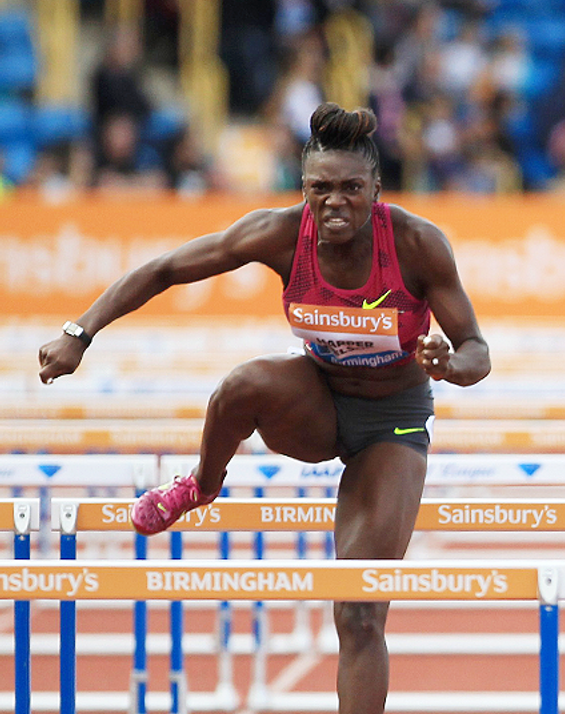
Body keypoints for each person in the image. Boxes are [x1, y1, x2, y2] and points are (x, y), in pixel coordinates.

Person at [36, 103, 490, 714]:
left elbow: (477, 350)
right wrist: (80, 332)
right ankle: (200, 485)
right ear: (302, 188)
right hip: (317, 403)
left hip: (394, 419)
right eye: (320, 188)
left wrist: (448, 364)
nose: (334, 202)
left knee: (359, 611)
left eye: (351, 188)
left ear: (376, 189)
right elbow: (166, 268)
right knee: (242, 385)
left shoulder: (415, 244)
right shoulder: (279, 233)